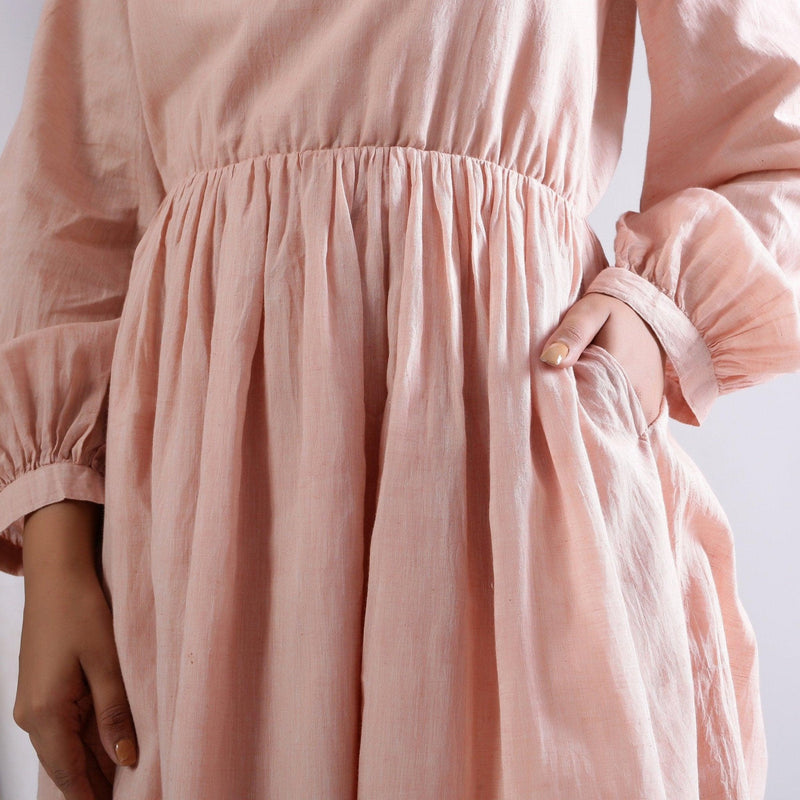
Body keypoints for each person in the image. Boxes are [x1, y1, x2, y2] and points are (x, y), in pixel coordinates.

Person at [1, 0, 799, 798]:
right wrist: (56, 546)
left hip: (509, 481)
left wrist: (655, 322)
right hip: (212, 518)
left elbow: (777, 131)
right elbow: (69, 209)